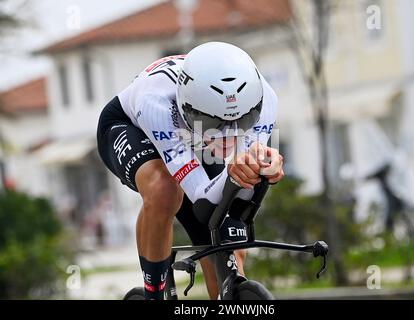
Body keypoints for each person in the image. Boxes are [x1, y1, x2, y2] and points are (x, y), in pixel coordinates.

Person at [96, 41, 284, 300]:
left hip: (197, 140)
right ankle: (155, 291)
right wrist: (234, 172)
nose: (229, 134)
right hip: (132, 127)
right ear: (188, 107)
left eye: (241, 121)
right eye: (214, 122)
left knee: (228, 243)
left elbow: (241, 194)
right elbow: (202, 197)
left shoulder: (263, 98)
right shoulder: (157, 102)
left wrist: (263, 166)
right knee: (166, 192)